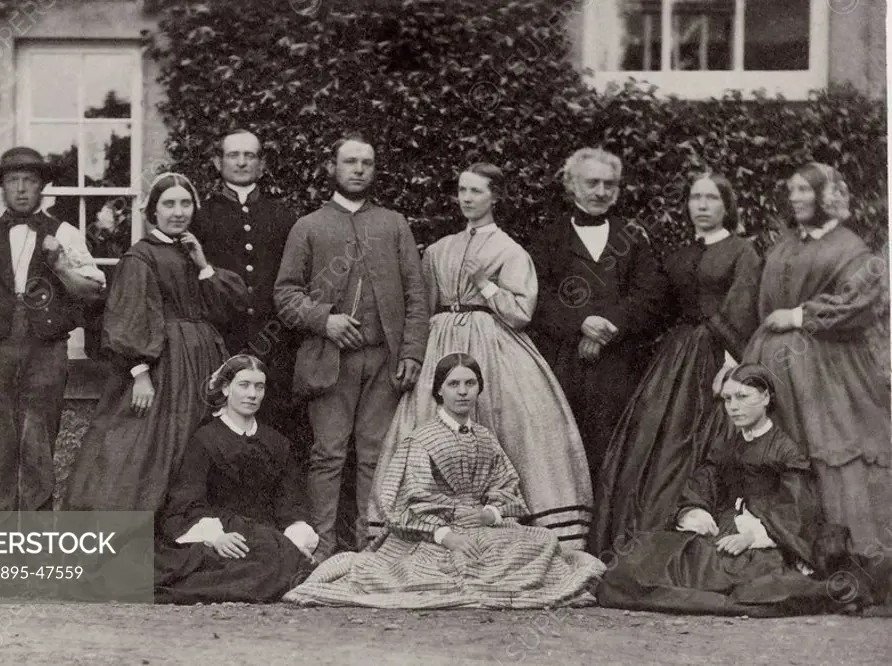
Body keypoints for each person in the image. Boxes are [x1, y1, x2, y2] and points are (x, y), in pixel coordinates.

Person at [368, 163, 593, 548]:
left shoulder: (510, 250)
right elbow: (423, 306)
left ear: (495, 197)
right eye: (462, 190)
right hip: (441, 341)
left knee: (514, 423)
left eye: (476, 191)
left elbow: (521, 314)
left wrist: (484, 284)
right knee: (427, 422)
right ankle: (426, 529)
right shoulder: (439, 249)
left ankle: (513, 528)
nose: (466, 198)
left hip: (496, 342)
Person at [283, 353, 607, 608]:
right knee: (445, 564)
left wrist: (488, 514)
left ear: (479, 388)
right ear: (439, 389)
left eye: (470, 383)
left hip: (482, 525)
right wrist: (445, 534)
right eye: (454, 384)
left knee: (542, 542)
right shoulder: (421, 440)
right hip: (430, 535)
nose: (463, 392)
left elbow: (508, 489)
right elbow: (404, 505)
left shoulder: (485, 438)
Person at [274, 132, 429, 559]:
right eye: (350, 162)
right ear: (332, 168)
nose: (359, 170)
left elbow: (417, 294)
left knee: (377, 454)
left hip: (385, 361)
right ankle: (322, 551)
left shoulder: (393, 224)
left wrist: (412, 351)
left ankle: (372, 546)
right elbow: (285, 295)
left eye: (367, 163)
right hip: (330, 362)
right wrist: (325, 320)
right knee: (328, 454)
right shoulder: (308, 226)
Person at [592, 173, 762, 555]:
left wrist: (732, 367)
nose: (702, 206)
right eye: (695, 198)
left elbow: (743, 308)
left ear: (726, 206)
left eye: (711, 198)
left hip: (718, 357)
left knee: (703, 440)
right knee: (652, 436)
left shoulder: (742, 251)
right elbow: (658, 309)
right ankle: (637, 541)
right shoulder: (679, 255)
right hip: (675, 357)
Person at [63, 172, 247, 511]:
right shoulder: (140, 257)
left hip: (203, 361)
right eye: (169, 204)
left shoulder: (193, 251)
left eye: (185, 203)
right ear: (153, 212)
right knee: (152, 449)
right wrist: (140, 375)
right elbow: (127, 317)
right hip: (163, 367)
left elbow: (228, 307)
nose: (178, 212)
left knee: (199, 443)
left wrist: (203, 264)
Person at [597, 364, 837, 616]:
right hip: (723, 527)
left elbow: (796, 507)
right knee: (641, 557)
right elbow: (705, 481)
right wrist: (694, 511)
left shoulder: (786, 451)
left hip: (767, 538)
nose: (733, 406)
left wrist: (753, 537)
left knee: (733, 577)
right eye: (727, 399)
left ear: (765, 397)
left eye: (743, 397)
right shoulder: (728, 445)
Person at [0, 146, 105, 511]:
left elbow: (93, 292)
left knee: (38, 444)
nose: (19, 189)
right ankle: (0, 542)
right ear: (2, 188)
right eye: (12, 180)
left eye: (28, 181)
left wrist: (61, 265)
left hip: (45, 348)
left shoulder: (65, 234)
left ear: (41, 187)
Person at [741, 163, 891, 551]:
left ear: (827, 195)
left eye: (805, 190)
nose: (795, 198)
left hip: (831, 370)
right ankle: (779, 544)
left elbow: (860, 302)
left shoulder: (850, 247)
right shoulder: (786, 244)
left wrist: (800, 316)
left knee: (832, 450)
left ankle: (838, 551)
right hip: (775, 367)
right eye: (791, 190)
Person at [529, 148, 668, 481]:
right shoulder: (549, 238)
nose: (601, 192)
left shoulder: (633, 237)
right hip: (565, 364)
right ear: (572, 184)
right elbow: (538, 297)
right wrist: (581, 324)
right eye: (592, 182)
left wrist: (607, 328)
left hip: (621, 365)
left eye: (610, 184)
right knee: (565, 452)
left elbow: (651, 296)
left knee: (617, 456)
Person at [155, 355, 318, 604]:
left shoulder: (276, 443)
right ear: (225, 388)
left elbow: (291, 502)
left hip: (264, 535)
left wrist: (295, 539)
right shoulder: (205, 440)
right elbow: (187, 501)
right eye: (244, 385)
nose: (252, 394)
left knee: (277, 557)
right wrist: (216, 538)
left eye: (259, 386)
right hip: (221, 533)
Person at [191, 129, 304, 445]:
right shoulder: (200, 217)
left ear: (262, 164)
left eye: (249, 155)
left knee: (273, 425)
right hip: (220, 340)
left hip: (275, 341)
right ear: (218, 161)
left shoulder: (282, 216)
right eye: (233, 155)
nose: (241, 162)